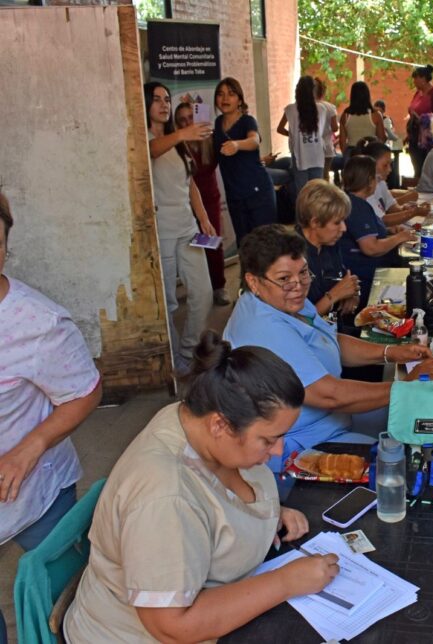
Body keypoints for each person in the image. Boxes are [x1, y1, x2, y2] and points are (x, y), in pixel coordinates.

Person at [64, 331, 339, 641]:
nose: (278, 451)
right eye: (268, 439)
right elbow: (173, 626)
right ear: (220, 424)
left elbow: (215, 501)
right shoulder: (164, 495)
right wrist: (286, 582)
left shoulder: (191, 417)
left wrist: (263, 513)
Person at [223, 225, 433, 470]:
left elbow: (327, 341)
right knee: (402, 468)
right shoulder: (262, 326)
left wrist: (389, 353)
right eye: (284, 279)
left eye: (304, 272)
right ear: (253, 281)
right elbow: (329, 395)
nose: (298, 285)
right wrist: (405, 387)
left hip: (332, 420)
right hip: (301, 444)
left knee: (419, 420)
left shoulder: (282, 300)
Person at [0, 191, 102, 644]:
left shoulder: (37, 323)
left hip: (33, 490)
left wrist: (30, 447)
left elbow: (85, 391)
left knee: (66, 599)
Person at [145, 82, 215, 370]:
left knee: (204, 292)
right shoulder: (146, 139)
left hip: (188, 228)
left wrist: (204, 218)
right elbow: (151, 150)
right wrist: (182, 133)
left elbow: (191, 185)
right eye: (157, 99)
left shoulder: (177, 141)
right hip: (162, 231)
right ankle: (175, 362)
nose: (164, 104)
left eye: (167, 99)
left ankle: (187, 352)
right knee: (170, 303)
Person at [337, 156, 416, 306]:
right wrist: (399, 237)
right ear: (368, 181)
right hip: (366, 277)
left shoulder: (355, 202)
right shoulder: (358, 207)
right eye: (375, 177)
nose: (377, 181)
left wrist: (388, 230)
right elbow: (371, 248)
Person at [175, 102, 230, 307]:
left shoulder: (210, 140)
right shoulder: (178, 146)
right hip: (185, 203)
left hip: (210, 201)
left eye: (191, 117)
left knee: (212, 244)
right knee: (191, 249)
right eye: (183, 119)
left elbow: (229, 147)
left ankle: (218, 287)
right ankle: (199, 290)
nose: (188, 122)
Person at [213, 77, 276, 245]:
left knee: (265, 246)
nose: (225, 99)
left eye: (231, 94)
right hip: (235, 196)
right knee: (245, 246)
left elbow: (254, 140)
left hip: (258, 193)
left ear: (239, 99)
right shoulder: (217, 123)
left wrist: (236, 144)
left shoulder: (248, 121)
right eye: (220, 94)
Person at [293, 180, 361, 321]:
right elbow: (299, 321)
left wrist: (353, 294)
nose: (344, 228)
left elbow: (342, 279)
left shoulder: (330, 243)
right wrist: (334, 295)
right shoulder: (292, 256)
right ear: (315, 222)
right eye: (337, 222)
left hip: (333, 323)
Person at [355, 138, 427, 226]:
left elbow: (391, 206)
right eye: (385, 165)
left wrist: (405, 208)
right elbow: (382, 220)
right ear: (370, 164)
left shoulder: (381, 183)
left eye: (390, 164)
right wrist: (413, 212)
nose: (390, 169)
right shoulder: (366, 188)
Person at [278, 75, 328, 195]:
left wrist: (292, 135)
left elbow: (280, 129)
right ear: (313, 90)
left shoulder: (290, 109)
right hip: (317, 155)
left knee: (302, 193)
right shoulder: (322, 109)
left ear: (298, 90)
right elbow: (321, 131)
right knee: (317, 192)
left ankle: (301, 214)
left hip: (299, 155)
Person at [406, 65, 433, 177]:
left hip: (429, 138)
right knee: (417, 166)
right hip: (415, 135)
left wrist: (424, 119)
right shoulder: (417, 93)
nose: (414, 81)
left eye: (416, 78)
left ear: (423, 79)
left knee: (427, 168)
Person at [339, 81, 385, 161]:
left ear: (352, 95)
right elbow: (382, 138)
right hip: (370, 151)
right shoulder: (376, 115)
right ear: (367, 95)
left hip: (351, 152)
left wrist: (346, 155)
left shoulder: (345, 115)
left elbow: (342, 142)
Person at [374, 99, 403, 189]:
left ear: (384, 111)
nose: (379, 114)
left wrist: (386, 129)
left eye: (380, 111)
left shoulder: (386, 120)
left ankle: (392, 186)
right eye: (376, 111)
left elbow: (391, 136)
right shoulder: (373, 118)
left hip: (384, 148)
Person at [315, 77, 339, 182]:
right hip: (327, 146)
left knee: (314, 177)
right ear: (323, 92)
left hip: (312, 147)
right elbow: (335, 128)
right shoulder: (330, 107)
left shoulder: (307, 107)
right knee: (325, 176)